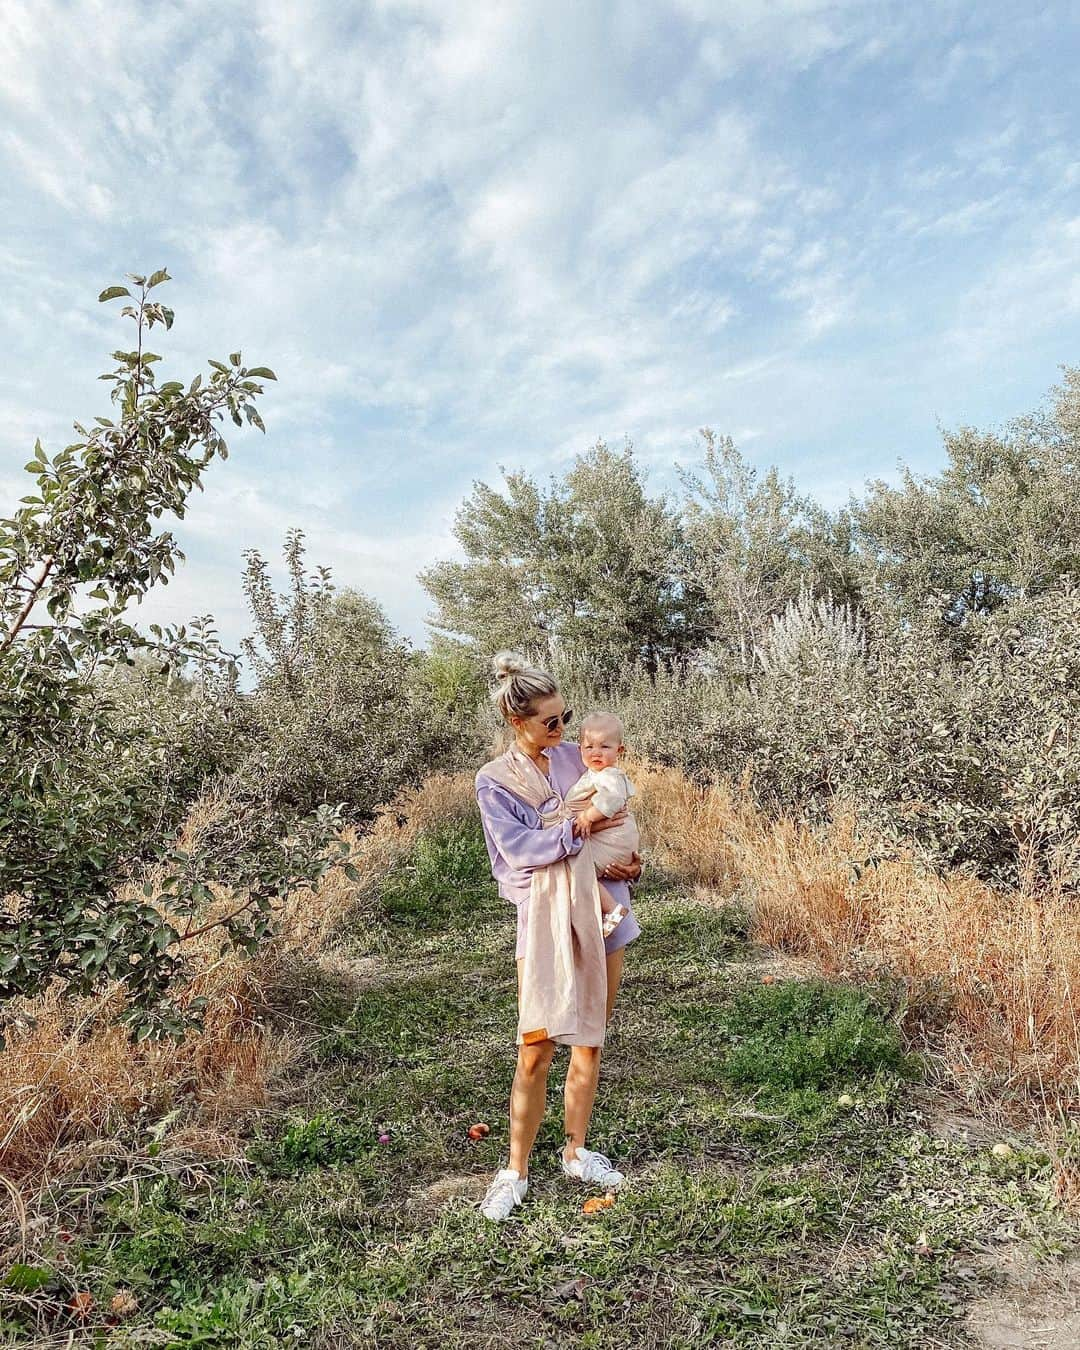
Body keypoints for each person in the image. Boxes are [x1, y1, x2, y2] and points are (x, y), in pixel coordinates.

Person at [475, 652, 642, 1222]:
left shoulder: (579, 758)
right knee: (535, 1047)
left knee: (590, 1036)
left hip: (605, 911)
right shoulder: (495, 782)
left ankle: (575, 1150)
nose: (563, 731)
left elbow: (618, 813)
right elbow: (520, 851)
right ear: (516, 723)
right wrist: (579, 835)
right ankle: (515, 1169)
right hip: (544, 920)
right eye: (550, 722)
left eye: (564, 716)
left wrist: (624, 860)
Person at [566, 711, 640, 938]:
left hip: (612, 842)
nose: (596, 752)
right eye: (589, 747)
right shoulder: (595, 773)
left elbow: (613, 798)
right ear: (580, 749)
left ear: (620, 750)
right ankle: (606, 911)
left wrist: (588, 816)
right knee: (577, 868)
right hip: (614, 841)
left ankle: (611, 909)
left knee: (574, 868)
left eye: (605, 747)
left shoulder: (607, 775)